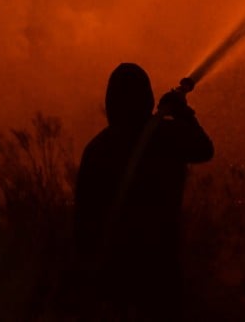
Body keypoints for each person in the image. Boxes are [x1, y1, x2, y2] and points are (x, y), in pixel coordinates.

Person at [74, 63, 213, 320]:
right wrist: (183, 112)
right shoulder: (164, 136)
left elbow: (83, 223)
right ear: (147, 98)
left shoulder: (97, 149)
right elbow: (204, 149)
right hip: (159, 271)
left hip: (113, 276)